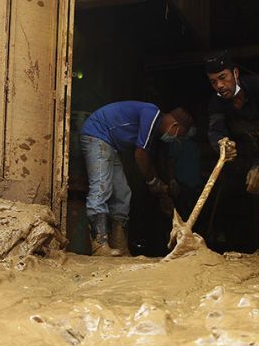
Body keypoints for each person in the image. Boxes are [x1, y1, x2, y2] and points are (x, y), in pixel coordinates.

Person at [80, 101, 192, 256]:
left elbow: (148, 160)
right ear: (175, 126)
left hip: (110, 144)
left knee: (123, 193)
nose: (174, 138)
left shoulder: (153, 126)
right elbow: (141, 155)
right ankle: (99, 245)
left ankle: (120, 245)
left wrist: (158, 187)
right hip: (96, 134)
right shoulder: (152, 114)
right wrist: (153, 182)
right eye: (178, 135)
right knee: (101, 187)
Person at [205, 51, 259, 253]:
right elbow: (215, 129)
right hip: (247, 152)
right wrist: (221, 143)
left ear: (235, 73)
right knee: (241, 191)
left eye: (223, 77)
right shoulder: (216, 102)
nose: (220, 85)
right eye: (213, 82)